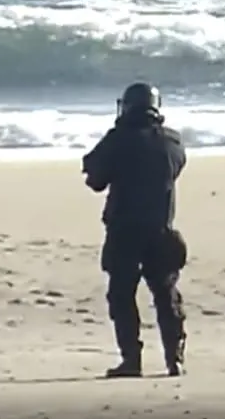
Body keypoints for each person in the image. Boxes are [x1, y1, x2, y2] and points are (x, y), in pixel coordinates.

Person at [82, 82, 189, 378]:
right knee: (166, 295)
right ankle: (174, 359)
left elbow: (95, 180)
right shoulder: (172, 142)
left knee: (122, 295)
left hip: (124, 232)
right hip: (161, 230)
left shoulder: (118, 140)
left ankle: (131, 360)